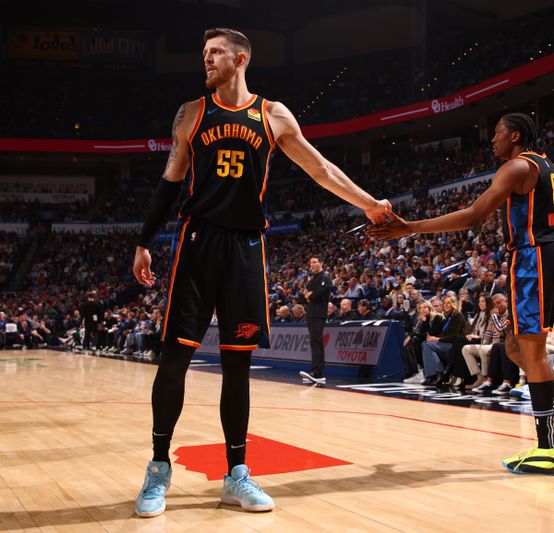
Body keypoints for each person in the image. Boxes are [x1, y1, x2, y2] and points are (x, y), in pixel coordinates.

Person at [131, 28, 391, 518]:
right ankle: (159, 468)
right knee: (176, 358)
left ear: (240, 58)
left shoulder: (272, 115)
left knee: (237, 364)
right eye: (203, 53)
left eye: (214, 53)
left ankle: (236, 474)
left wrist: (369, 204)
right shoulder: (191, 113)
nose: (206, 60)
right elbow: (169, 182)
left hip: (246, 250)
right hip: (197, 243)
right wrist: (144, 241)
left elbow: (321, 170)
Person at [369, 113, 554, 476]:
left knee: (532, 349)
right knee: (513, 347)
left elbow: (474, 215)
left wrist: (411, 228)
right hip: (542, 255)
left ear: (516, 135)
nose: (492, 140)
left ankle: (546, 448)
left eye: (497, 133)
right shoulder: (546, 165)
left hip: (533, 257)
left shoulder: (517, 166)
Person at [299, 256, 331, 386]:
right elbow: (303, 296)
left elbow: (317, 295)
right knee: (314, 343)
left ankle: (318, 373)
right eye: (310, 262)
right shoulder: (312, 279)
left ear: (321, 263)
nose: (312, 264)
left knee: (316, 342)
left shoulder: (325, 277)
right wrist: (309, 296)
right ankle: (317, 373)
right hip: (311, 314)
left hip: (318, 314)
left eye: (314, 262)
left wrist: (310, 296)